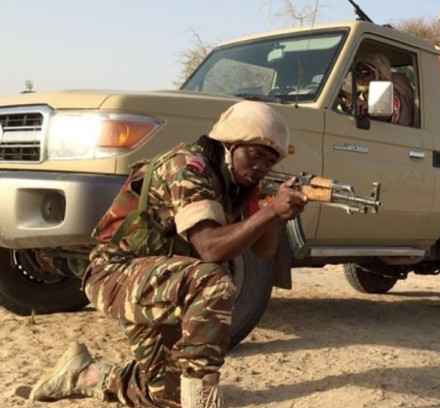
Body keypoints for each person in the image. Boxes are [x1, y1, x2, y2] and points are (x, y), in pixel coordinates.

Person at [29, 101, 308, 407]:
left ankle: (84, 376)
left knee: (168, 395)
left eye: (269, 162)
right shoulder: (187, 167)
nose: (259, 167)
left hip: (163, 282)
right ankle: (200, 394)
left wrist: (268, 207)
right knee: (212, 280)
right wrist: (271, 212)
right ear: (229, 144)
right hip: (115, 273)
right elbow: (211, 248)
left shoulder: (235, 185)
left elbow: (263, 251)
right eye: (254, 155)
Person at [337, 51, 414, 126]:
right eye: (357, 73)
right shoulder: (362, 94)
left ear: (379, 74)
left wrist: (345, 95)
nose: (359, 76)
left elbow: (382, 113)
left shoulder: (391, 93)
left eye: (365, 72)